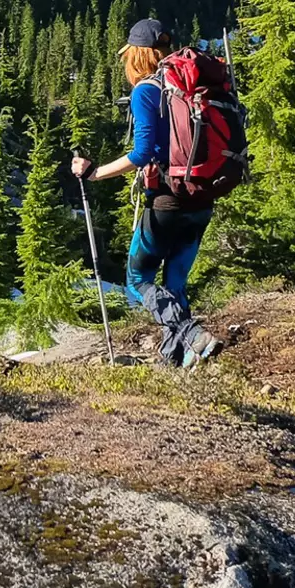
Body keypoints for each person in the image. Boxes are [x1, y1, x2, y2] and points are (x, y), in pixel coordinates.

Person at [71, 18, 219, 367]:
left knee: (137, 279)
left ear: (137, 56)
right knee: (175, 281)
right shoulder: (192, 87)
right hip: (203, 198)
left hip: (169, 200)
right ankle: (176, 360)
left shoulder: (146, 91)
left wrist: (95, 173)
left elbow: (142, 153)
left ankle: (190, 333)